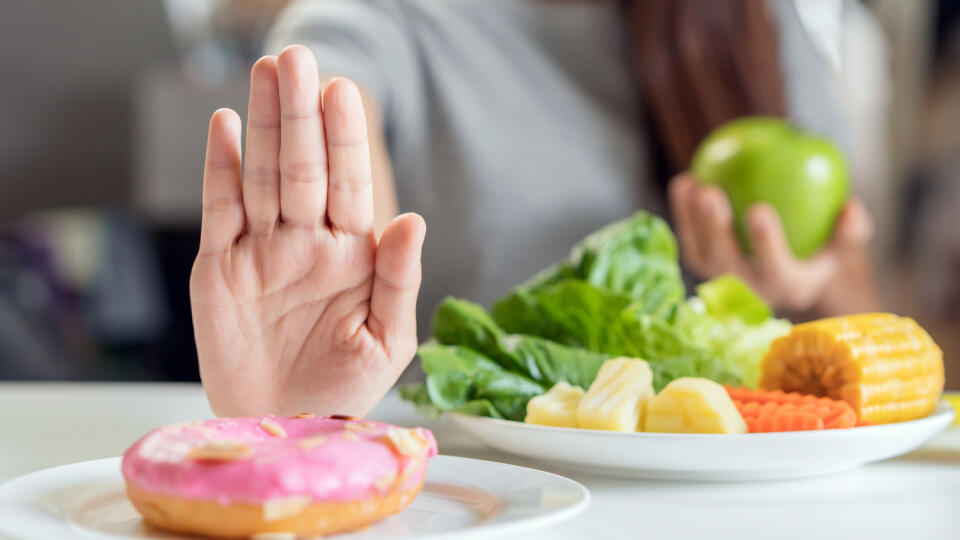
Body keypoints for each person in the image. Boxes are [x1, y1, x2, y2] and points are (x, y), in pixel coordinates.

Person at [193, 0, 884, 417]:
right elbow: (330, 92)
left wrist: (816, 286)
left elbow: (861, 308)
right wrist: (304, 408)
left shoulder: (756, 24)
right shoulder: (385, 17)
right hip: (489, 500)